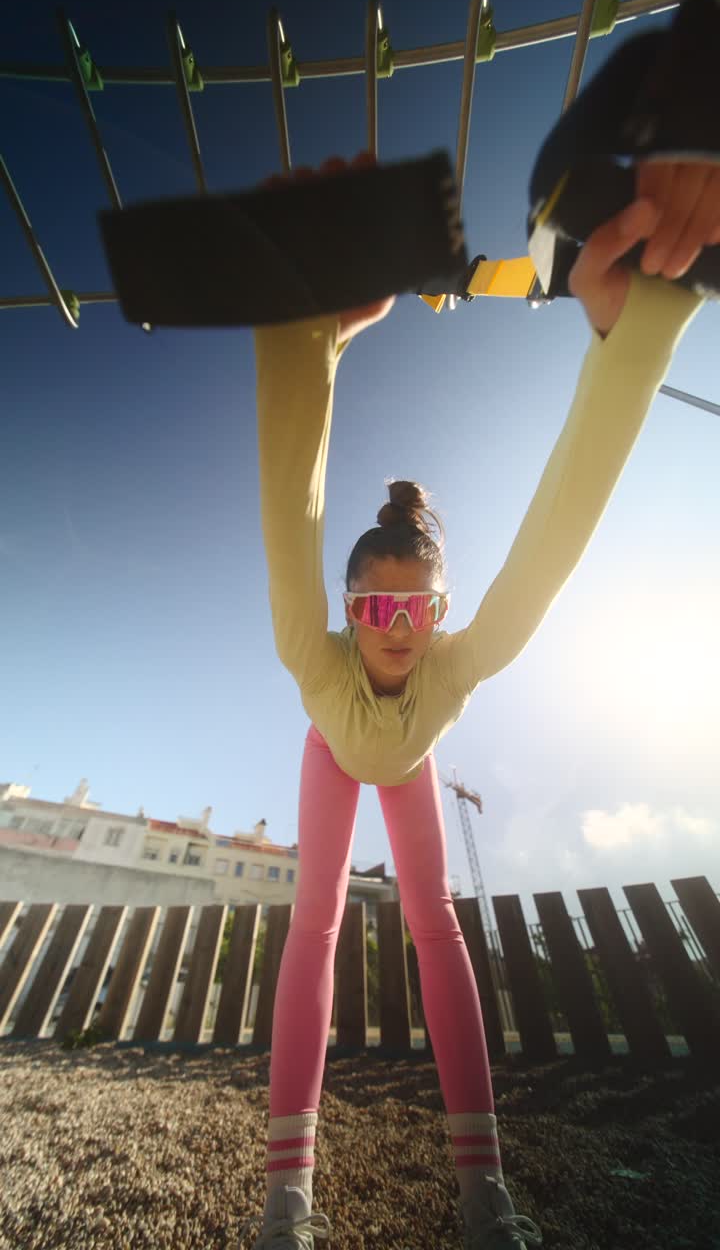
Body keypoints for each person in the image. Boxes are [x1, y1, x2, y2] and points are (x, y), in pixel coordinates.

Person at [239, 151, 713, 1250]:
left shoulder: (453, 665)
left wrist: (629, 347)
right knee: (313, 927)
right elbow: (287, 522)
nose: (396, 630)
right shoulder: (316, 657)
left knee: (436, 926)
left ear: (439, 612)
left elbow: (540, 564)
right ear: (349, 608)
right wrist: (302, 340)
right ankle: (285, 1198)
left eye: (417, 610)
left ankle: (485, 1191)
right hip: (331, 752)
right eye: (376, 608)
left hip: (406, 767)